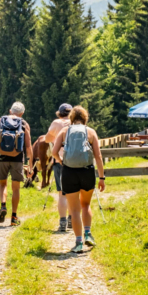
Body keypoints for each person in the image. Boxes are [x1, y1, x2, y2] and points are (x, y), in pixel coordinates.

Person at [51, 105, 105, 253]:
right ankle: (88, 233)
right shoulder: (90, 132)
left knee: (74, 210)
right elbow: (98, 157)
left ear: (71, 118)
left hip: (69, 172)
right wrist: (102, 177)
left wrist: (62, 162)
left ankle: (79, 242)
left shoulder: (64, 131)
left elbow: (54, 152)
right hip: (87, 171)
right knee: (85, 205)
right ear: (85, 118)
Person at [0, 102, 33, 226]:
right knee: (16, 188)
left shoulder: (0, 121)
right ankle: (14, 217)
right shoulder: (24, 124)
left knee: (2, 184)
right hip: (17, 158)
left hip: (1, 157)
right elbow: (29, 147)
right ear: (22, 113)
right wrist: (29, 166)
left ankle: (3, 206)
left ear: (10, 111)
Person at [43, 103, 72, 232]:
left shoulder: (56, 122)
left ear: (59, 113)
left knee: (62, 194)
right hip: (76, 161)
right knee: (74, 193)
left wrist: (56, 137)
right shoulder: (78, 123)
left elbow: (47, 139)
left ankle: (62, 222)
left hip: (59, 160)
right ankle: (73, 219)